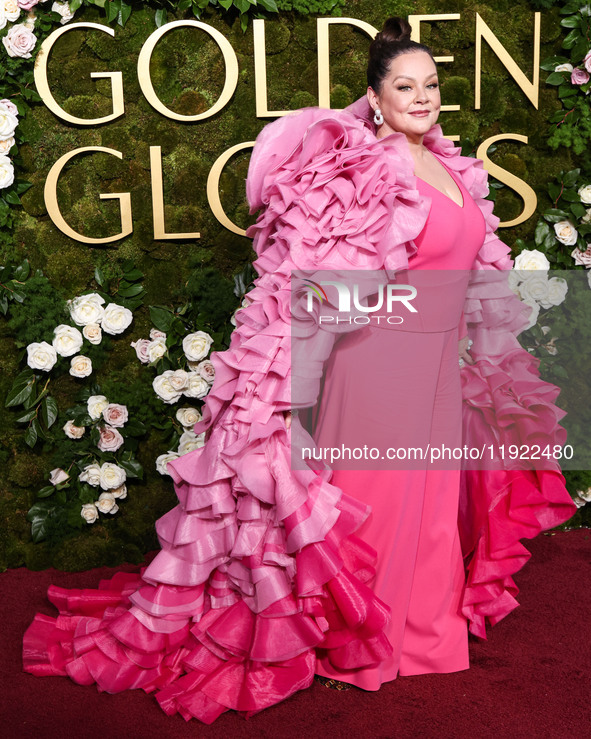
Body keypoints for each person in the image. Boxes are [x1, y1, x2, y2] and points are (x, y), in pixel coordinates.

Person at [22, 17, 576, 724]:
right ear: (374, 97)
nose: (422, 97)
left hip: (436, 364)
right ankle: (362, 641)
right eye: (404, 86)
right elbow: (311, 280)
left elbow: (467, 271)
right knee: (381, 502)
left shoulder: (452, 164)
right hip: (377, 363)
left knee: (432, 508)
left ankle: (424, 635)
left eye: (430, 84)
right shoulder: (361, 166)